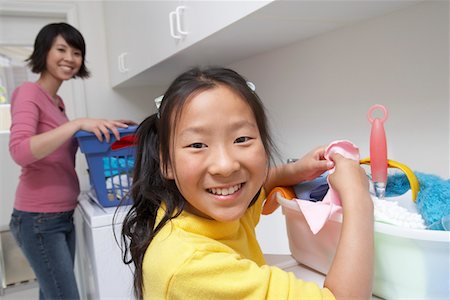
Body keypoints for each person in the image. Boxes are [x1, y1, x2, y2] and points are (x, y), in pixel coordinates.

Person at [121, 67, 374, 299]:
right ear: (165, 162)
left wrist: (295, 170)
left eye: (241, 139)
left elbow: (260, 187)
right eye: (197, 145)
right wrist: (357, 198)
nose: (226, 165)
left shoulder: (201, 211)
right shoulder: (192, 266)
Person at [8, 23, 133, 300]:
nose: (70, 58)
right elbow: (20, 151)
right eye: (61, 49)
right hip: (39, 219)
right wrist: (77, 124)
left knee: (52, 294)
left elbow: (60, 146)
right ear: (44, 52)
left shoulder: (57, 102)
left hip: (61, 215)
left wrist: (108, 128)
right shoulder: (29, 93)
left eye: (76, 52)